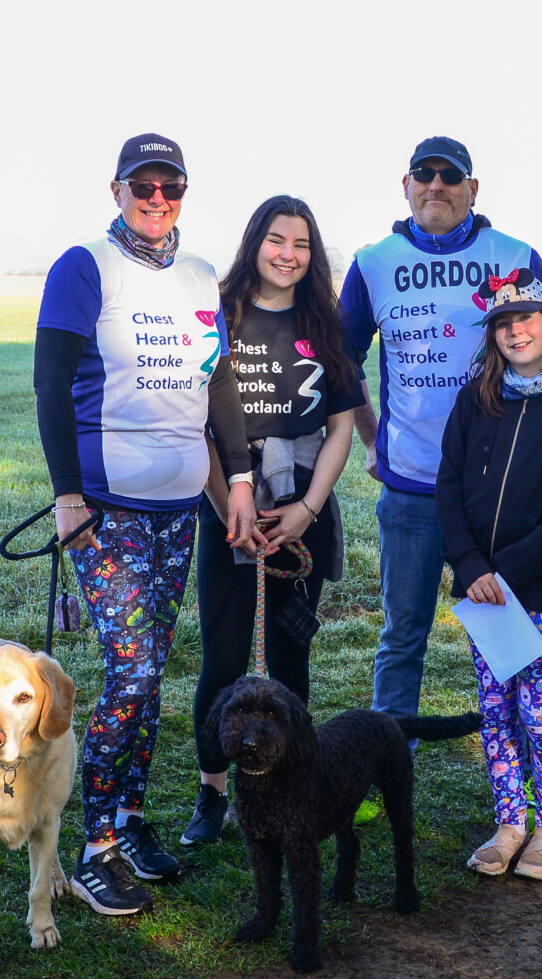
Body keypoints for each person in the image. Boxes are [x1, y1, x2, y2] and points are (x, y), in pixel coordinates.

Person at [33, 132, 257, 915]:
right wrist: (67, 497)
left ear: (184, 194)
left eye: (171, 187)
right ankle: (90, 846)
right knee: (130, 672)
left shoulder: (198, 276)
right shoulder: (85, 267)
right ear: (118, 189)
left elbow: (218, 385)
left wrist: (237, 479)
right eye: (143, 185)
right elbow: (50, 384)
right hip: (105, 511)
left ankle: (129, 822)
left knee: (152, 672)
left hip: (177, 513)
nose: (156, 199)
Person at [338, 136, 542, 730]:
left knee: (513, 638)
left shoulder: (514, 255)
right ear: (406, 184)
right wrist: (372, 440)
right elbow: (341, 362)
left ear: (474, 189)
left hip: (501, 496)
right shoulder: (374, 262)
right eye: (426, 174)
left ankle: (521, 769)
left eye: (452, 176)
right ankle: (389, 763)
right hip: (414, 489)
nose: (437, 185)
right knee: (402, 637)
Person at [182, 195, 365, 846]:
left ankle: (291, 786)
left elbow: (342, 426)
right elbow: (197, 418)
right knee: (225, 658)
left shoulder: (326, 320)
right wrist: (226, 503)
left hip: (301, 510)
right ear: (255, 241)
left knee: (291, 653)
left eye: (302, 244)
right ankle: (212, 793)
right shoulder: (219, 313)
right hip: (225, 504)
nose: (288, 254)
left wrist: (308, 508)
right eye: (277, 240)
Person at [435, 268, 542, 881]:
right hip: (483, 588)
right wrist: (471, 565)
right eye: (503, 324)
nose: (515, 332)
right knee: (496, 705)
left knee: (538, 707)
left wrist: (506, 572)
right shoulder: (476, 397)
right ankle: (510, 823)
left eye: (526, 320)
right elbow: (448, 485)